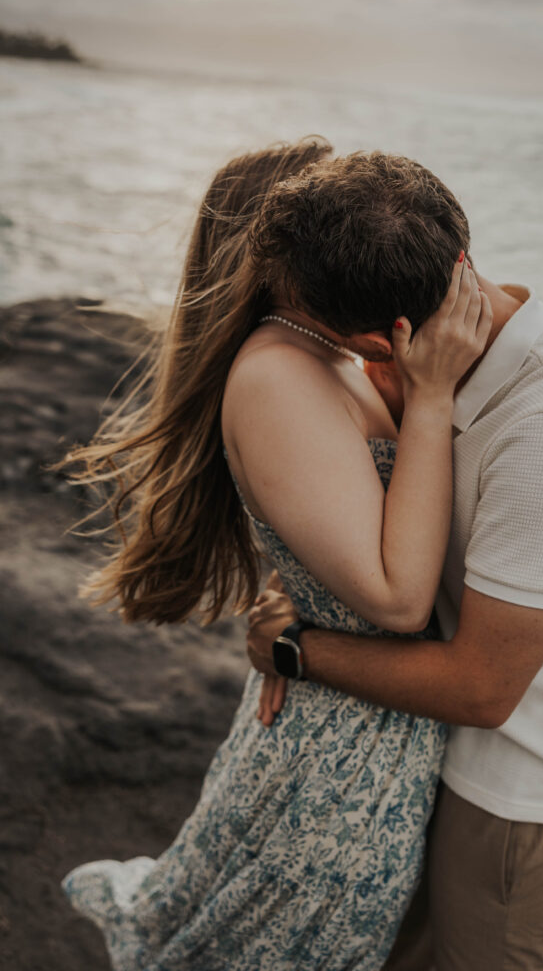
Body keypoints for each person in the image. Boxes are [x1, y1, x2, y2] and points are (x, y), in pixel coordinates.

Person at [59, 140, 493, 969]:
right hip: (337, 758)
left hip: (366, 726)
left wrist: (288, 585)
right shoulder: (277, 374)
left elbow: (336, 513)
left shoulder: (327, 350)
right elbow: (398, 600)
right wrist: (431, 396)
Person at [247, 179, 543, 969]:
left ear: (374, 341)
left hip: (511, 791)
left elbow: (482, 689)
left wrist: (295, 649)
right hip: (438, 763)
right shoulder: (441, 378)